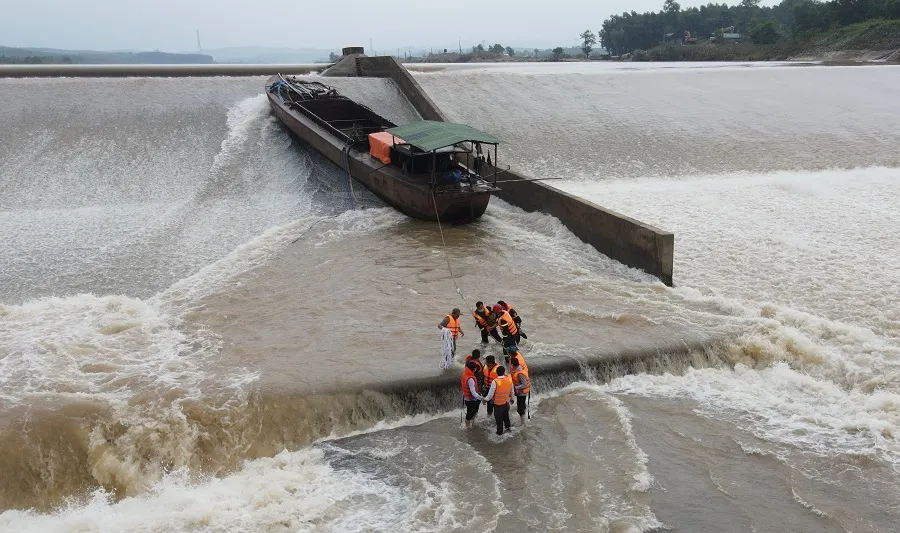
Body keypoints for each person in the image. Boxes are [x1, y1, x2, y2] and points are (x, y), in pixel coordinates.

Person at [483, 365, 513, 435]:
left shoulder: (495, 382)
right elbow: (512, 390)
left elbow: (490, 395)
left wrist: (485, 400)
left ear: (496, 373)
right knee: (506, 417)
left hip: (498, 405)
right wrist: (512, 398)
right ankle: (508, 430)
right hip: (506, 403)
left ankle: (499, 435)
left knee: (499, 421)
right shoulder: (509, 378)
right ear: (504, 372)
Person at [461, 360, 484, 428]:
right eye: (475, 368)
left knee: (473, 413)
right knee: (469, 415)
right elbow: (473, 393)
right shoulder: (470, 379)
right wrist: (481, 398)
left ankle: (473, 425)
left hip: (467, 398)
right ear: (474, 369)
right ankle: (468, 428)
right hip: (471, 400)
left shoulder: (465, 374)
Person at [510, 356, 531, 424]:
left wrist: (516, 387)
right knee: (522, 405)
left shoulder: (520, 373)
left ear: (513, 365)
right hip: (520, 392)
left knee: (520, 408)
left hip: (522, 393)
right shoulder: (517, 369)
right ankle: (523, 417)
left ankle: (523, 423)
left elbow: (524, 384)